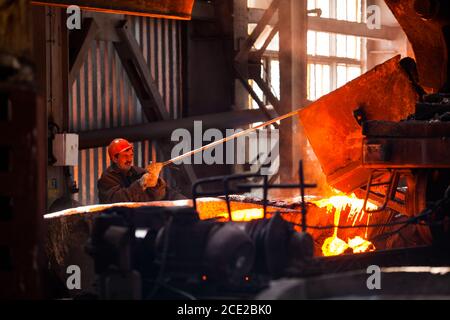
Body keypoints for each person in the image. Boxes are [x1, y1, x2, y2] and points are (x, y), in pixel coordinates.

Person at [98, 138, 175, 204]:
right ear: (115, 158)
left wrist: (156, 184)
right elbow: (116, 200)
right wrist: (140, 184)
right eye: (125, 156)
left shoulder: (139, 172)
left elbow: (161, 196)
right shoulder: (107, 178)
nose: (129, 159)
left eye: (131, 155)